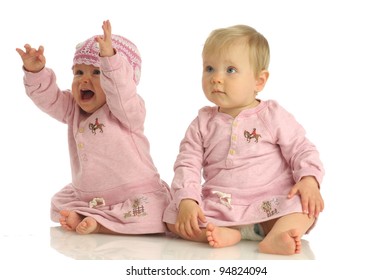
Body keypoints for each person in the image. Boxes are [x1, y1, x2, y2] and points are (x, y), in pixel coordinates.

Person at [163, 24, 325, 255]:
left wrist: (309, 179)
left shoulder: (272, 115)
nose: (216, 78)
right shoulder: (202, 122)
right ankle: (229, 233)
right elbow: (187, 163)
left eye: (230, 70)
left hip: (270, 205)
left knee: (305, 206)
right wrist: (189, 200)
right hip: (222, 206)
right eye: (209, 68)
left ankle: (277, 235)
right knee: (172, 215)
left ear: (259, 81)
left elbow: (301, 148)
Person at [16, 20, 170, 235]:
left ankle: (99, 224)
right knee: (58, 203)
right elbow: (48, 99)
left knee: (154, 216)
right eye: (78, 72)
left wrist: (109, 60)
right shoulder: (73, 109)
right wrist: (36, 72)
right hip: (90, 194)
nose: (84, 80)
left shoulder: (126, 109)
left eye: (96, 73)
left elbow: (120, 89)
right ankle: (90, 214)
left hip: (132, 193)